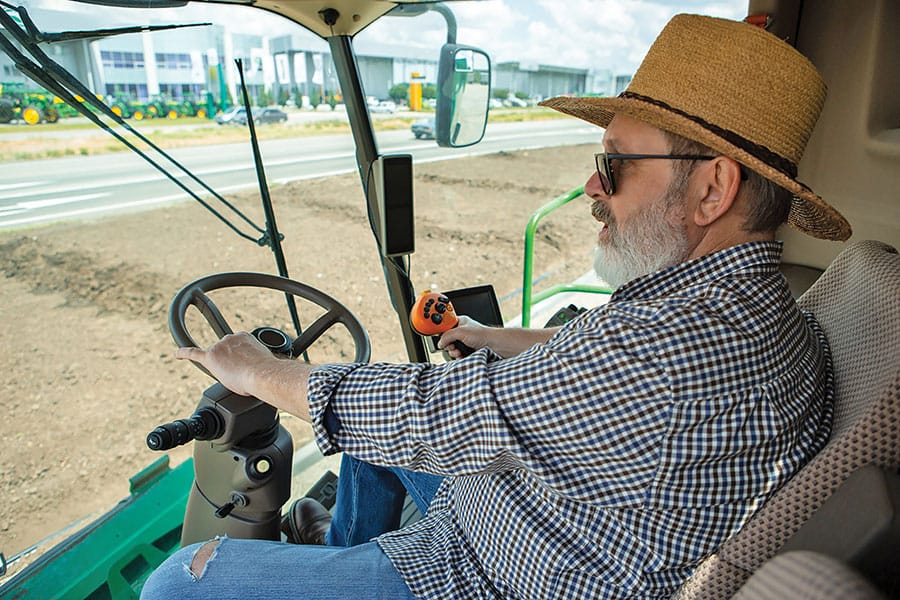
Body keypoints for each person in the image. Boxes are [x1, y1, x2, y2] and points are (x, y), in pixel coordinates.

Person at [141, 13, 852, 600]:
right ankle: (343, 547)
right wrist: (489, 337)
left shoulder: (664, 353)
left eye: (615, 163)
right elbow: (591, 360)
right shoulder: (752, 311)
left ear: (711, 190)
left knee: (176, 585)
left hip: (482, 573)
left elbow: (427, 416)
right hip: (548, 516)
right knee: (376, 429)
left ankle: (351, 560)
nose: (592, 186)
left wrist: (256, 372)